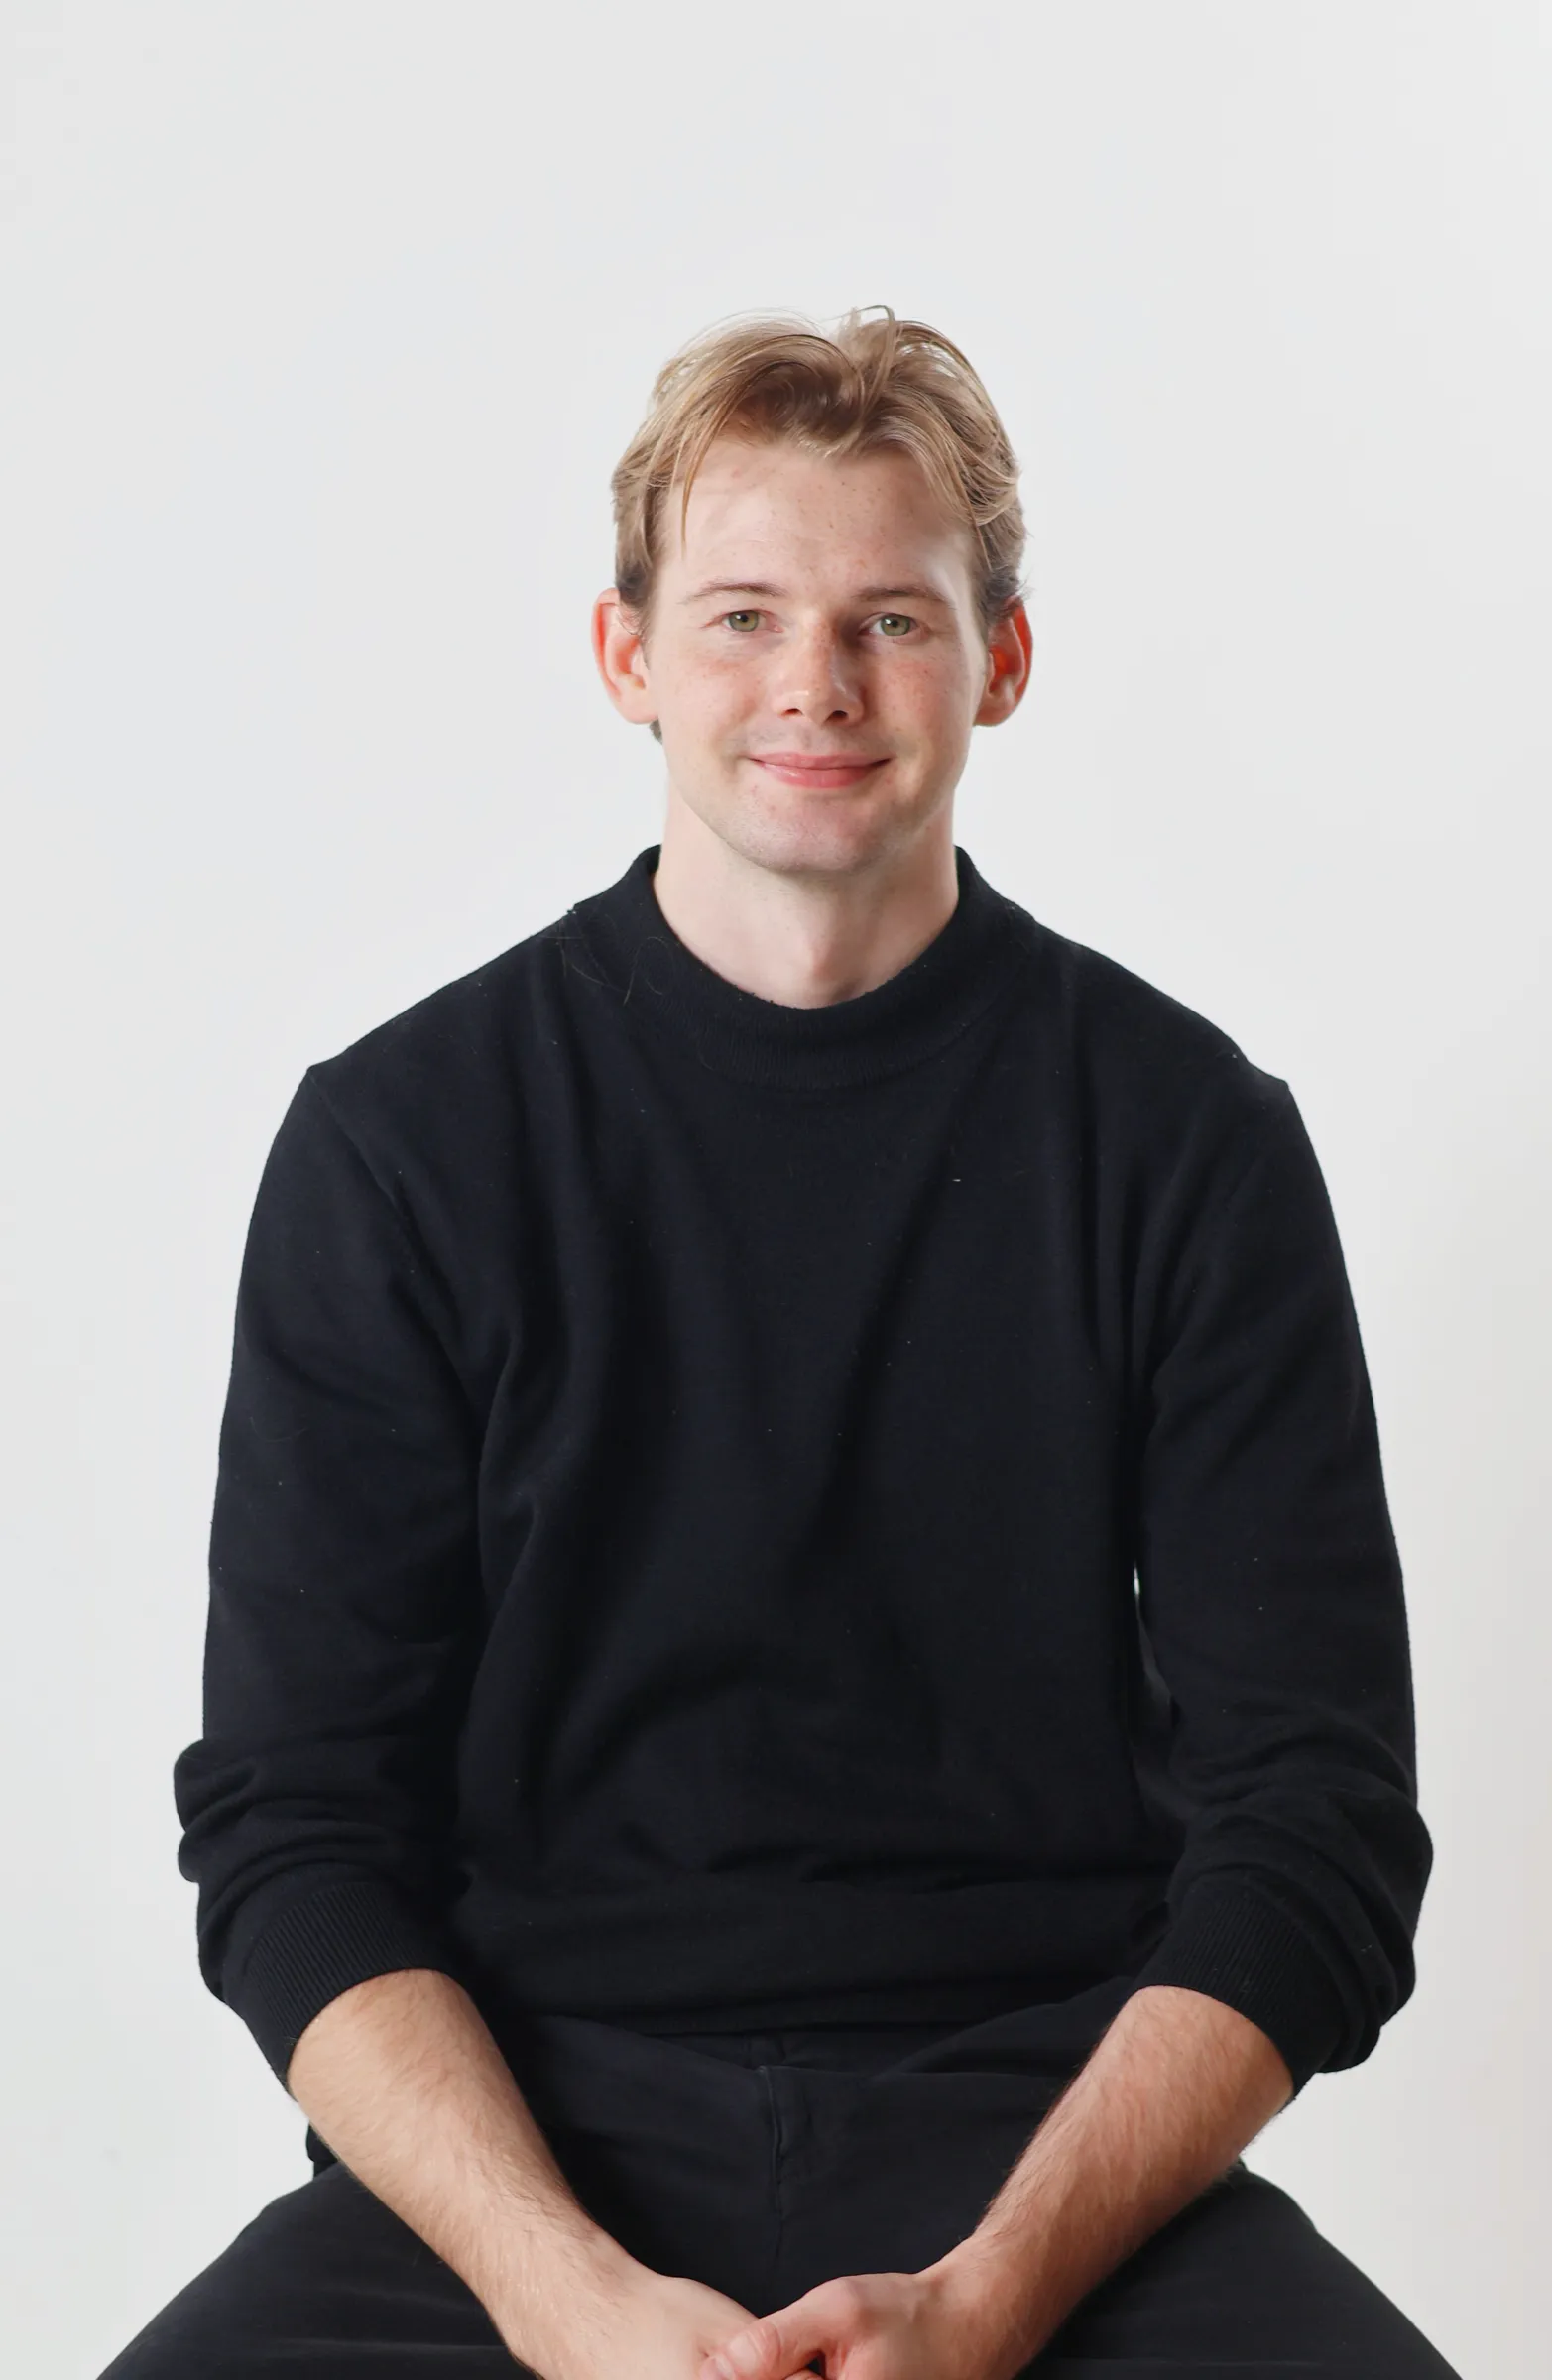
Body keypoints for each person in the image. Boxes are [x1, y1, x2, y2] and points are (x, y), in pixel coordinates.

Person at [99, 308, 1460, 2379]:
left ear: (998, 664)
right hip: (531, 2145)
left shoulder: (1185, 1145)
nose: (813, 683)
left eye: (889, 619)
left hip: (1039, 2145)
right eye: (739, 613)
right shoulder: (403, 1145)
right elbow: (296, 1826)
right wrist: (564, 2304)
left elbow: (1318, 1831)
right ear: (625, 654)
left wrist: (995, 2295)